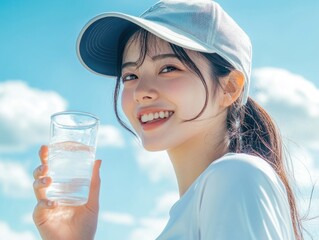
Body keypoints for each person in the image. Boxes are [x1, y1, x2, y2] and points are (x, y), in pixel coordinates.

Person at [33, 0, 304, 239]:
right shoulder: (202, 200)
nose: (141, 92)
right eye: (130, 76)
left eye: (168, 68)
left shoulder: (234, 176)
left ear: (230, 88)